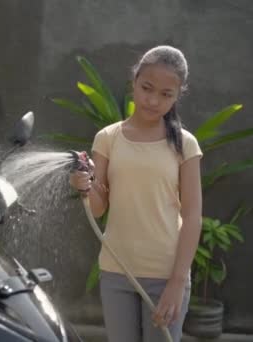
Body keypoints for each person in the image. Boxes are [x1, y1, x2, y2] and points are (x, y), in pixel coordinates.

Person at [69, 45, 203, 342]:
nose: (153, 100)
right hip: (116, 271)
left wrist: (178, 282)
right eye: (147, 88)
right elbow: (98, 208)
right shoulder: (108, 138)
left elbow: (192, 215)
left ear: (178, 95)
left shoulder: (185, 144)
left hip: (166, 274)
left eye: (166, 94)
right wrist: (84, 187)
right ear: (134, 81)